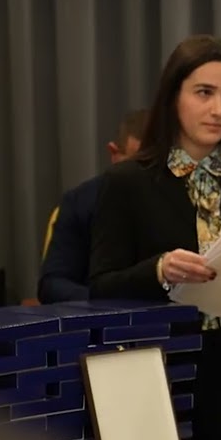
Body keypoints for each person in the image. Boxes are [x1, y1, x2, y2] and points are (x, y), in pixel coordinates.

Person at [89, 34, 221, 440]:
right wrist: (159, 269)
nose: (219, 109)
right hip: (160, 378)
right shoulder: (128, 183)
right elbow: (101, 286)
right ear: (173, 97)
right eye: (204, 93)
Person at [38, 109, 148, 303]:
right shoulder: (80, 202)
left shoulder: (190, 198)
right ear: (114, 154)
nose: (147, 175)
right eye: (136, 164)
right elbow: (52, 284)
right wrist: (107, 302)